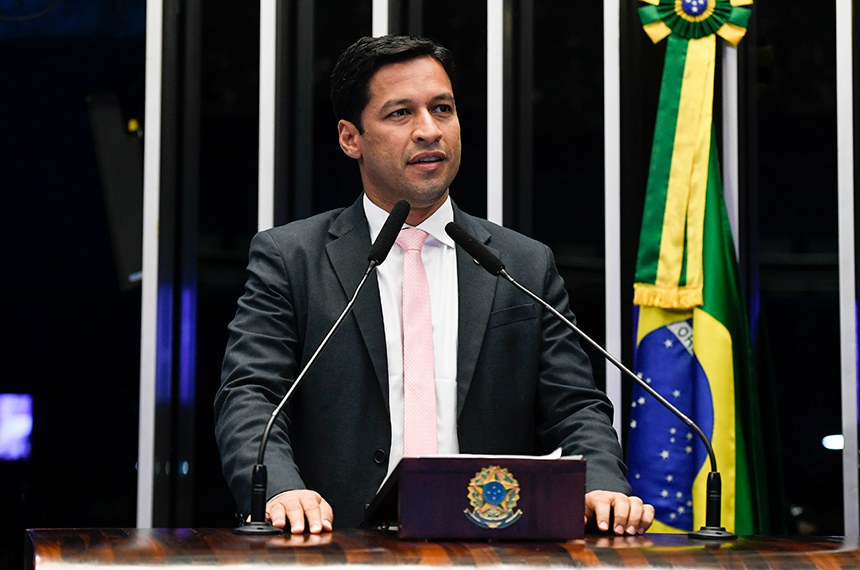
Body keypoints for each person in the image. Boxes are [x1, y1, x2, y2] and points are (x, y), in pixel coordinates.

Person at [215, 34, 654, 536]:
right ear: (350, 137)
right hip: (333, 545)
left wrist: (599, 483)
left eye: (442, 109)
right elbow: (251, 394)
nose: (429, 130)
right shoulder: (291, 258)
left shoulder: (522, 264)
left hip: (490, 543)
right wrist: (279, 490)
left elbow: (575, 406)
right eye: (400, 114)